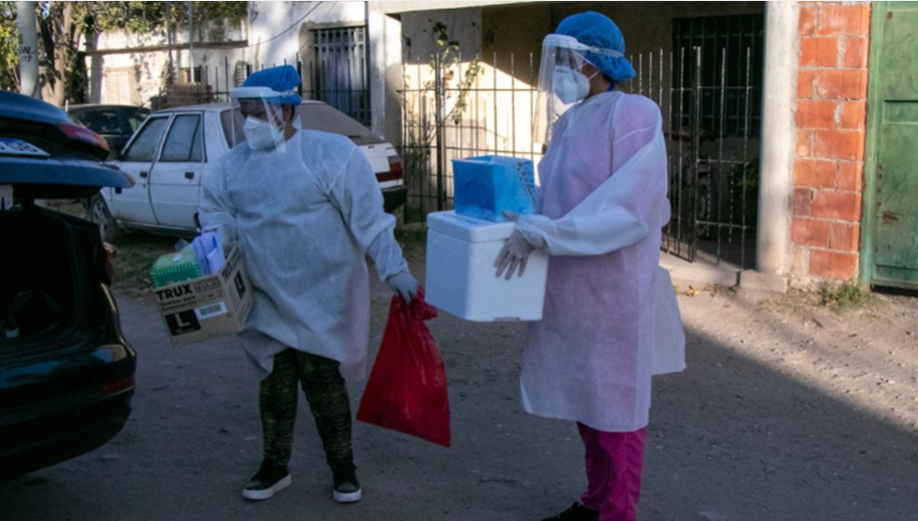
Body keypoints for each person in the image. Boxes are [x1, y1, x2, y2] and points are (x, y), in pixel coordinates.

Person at [198, 65, 419, 504]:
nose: (250, 122)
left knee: (323, 381)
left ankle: (343, 468)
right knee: (274, 383)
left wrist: (394, 270)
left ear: (286, 108)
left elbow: (369, 220)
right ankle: (275, 466)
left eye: (258, 111)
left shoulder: (331, 155)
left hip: (325, 293)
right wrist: (210, 252)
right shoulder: (231, 167)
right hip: (264, 295)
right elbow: (217, 215)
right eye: (244, 113)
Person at [494, 12, 684, 521]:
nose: (560, 70)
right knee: (587, 403)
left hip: (614, 289)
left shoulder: (634, 115)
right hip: (568, 287)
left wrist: (549, 233)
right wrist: (519, 213)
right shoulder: (568, 122)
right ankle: (595, 500)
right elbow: (556, 197)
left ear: (596, 61)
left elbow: (628, 209)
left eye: (568, 60)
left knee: (616, 409)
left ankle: (617, 512)